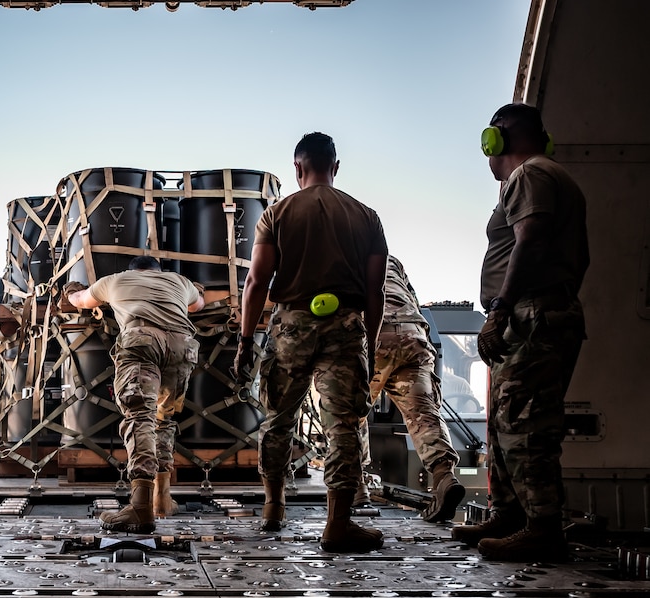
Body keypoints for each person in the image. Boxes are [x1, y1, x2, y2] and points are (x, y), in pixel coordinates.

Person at [234, 131, 388, 553]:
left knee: (277, 420)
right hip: (346, 327)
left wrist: (246, 341)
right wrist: (370, 348)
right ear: (335, 167)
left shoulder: (277, 213)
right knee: (343, 425)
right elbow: (376, 292)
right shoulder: (366, 216)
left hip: (291, 327)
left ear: (297, 168)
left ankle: (273, 508)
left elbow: (255, 282)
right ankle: (338, 524)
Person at [452, 103, 588, 562]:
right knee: (505, 422)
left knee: (526, 426)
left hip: (530, 317)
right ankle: (510, 514)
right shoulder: (554, 176)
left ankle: (543, 528)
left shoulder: (530, 175)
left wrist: (503, 309)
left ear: (499, 138)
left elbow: (529, 240)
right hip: (537, 315)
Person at [66, 256, 204, 533]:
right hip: (182, 347)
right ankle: (162, 499)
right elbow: (197, 304)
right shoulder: (179, 281)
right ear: (158, 271)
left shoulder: (115, 280)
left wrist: (71, 290)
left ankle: (140, 506)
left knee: (140, 417)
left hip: (142, 342)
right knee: (165, 420)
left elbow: (81, 301)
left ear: (133, 270)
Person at [356, 255, 465, 522]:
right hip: (413, 334)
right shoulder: (390, 260)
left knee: (349, 413)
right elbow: (412, 298)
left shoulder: (339, 254)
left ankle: (356, 490)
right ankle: (443, 477)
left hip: (372, 334)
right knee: (423, 414)